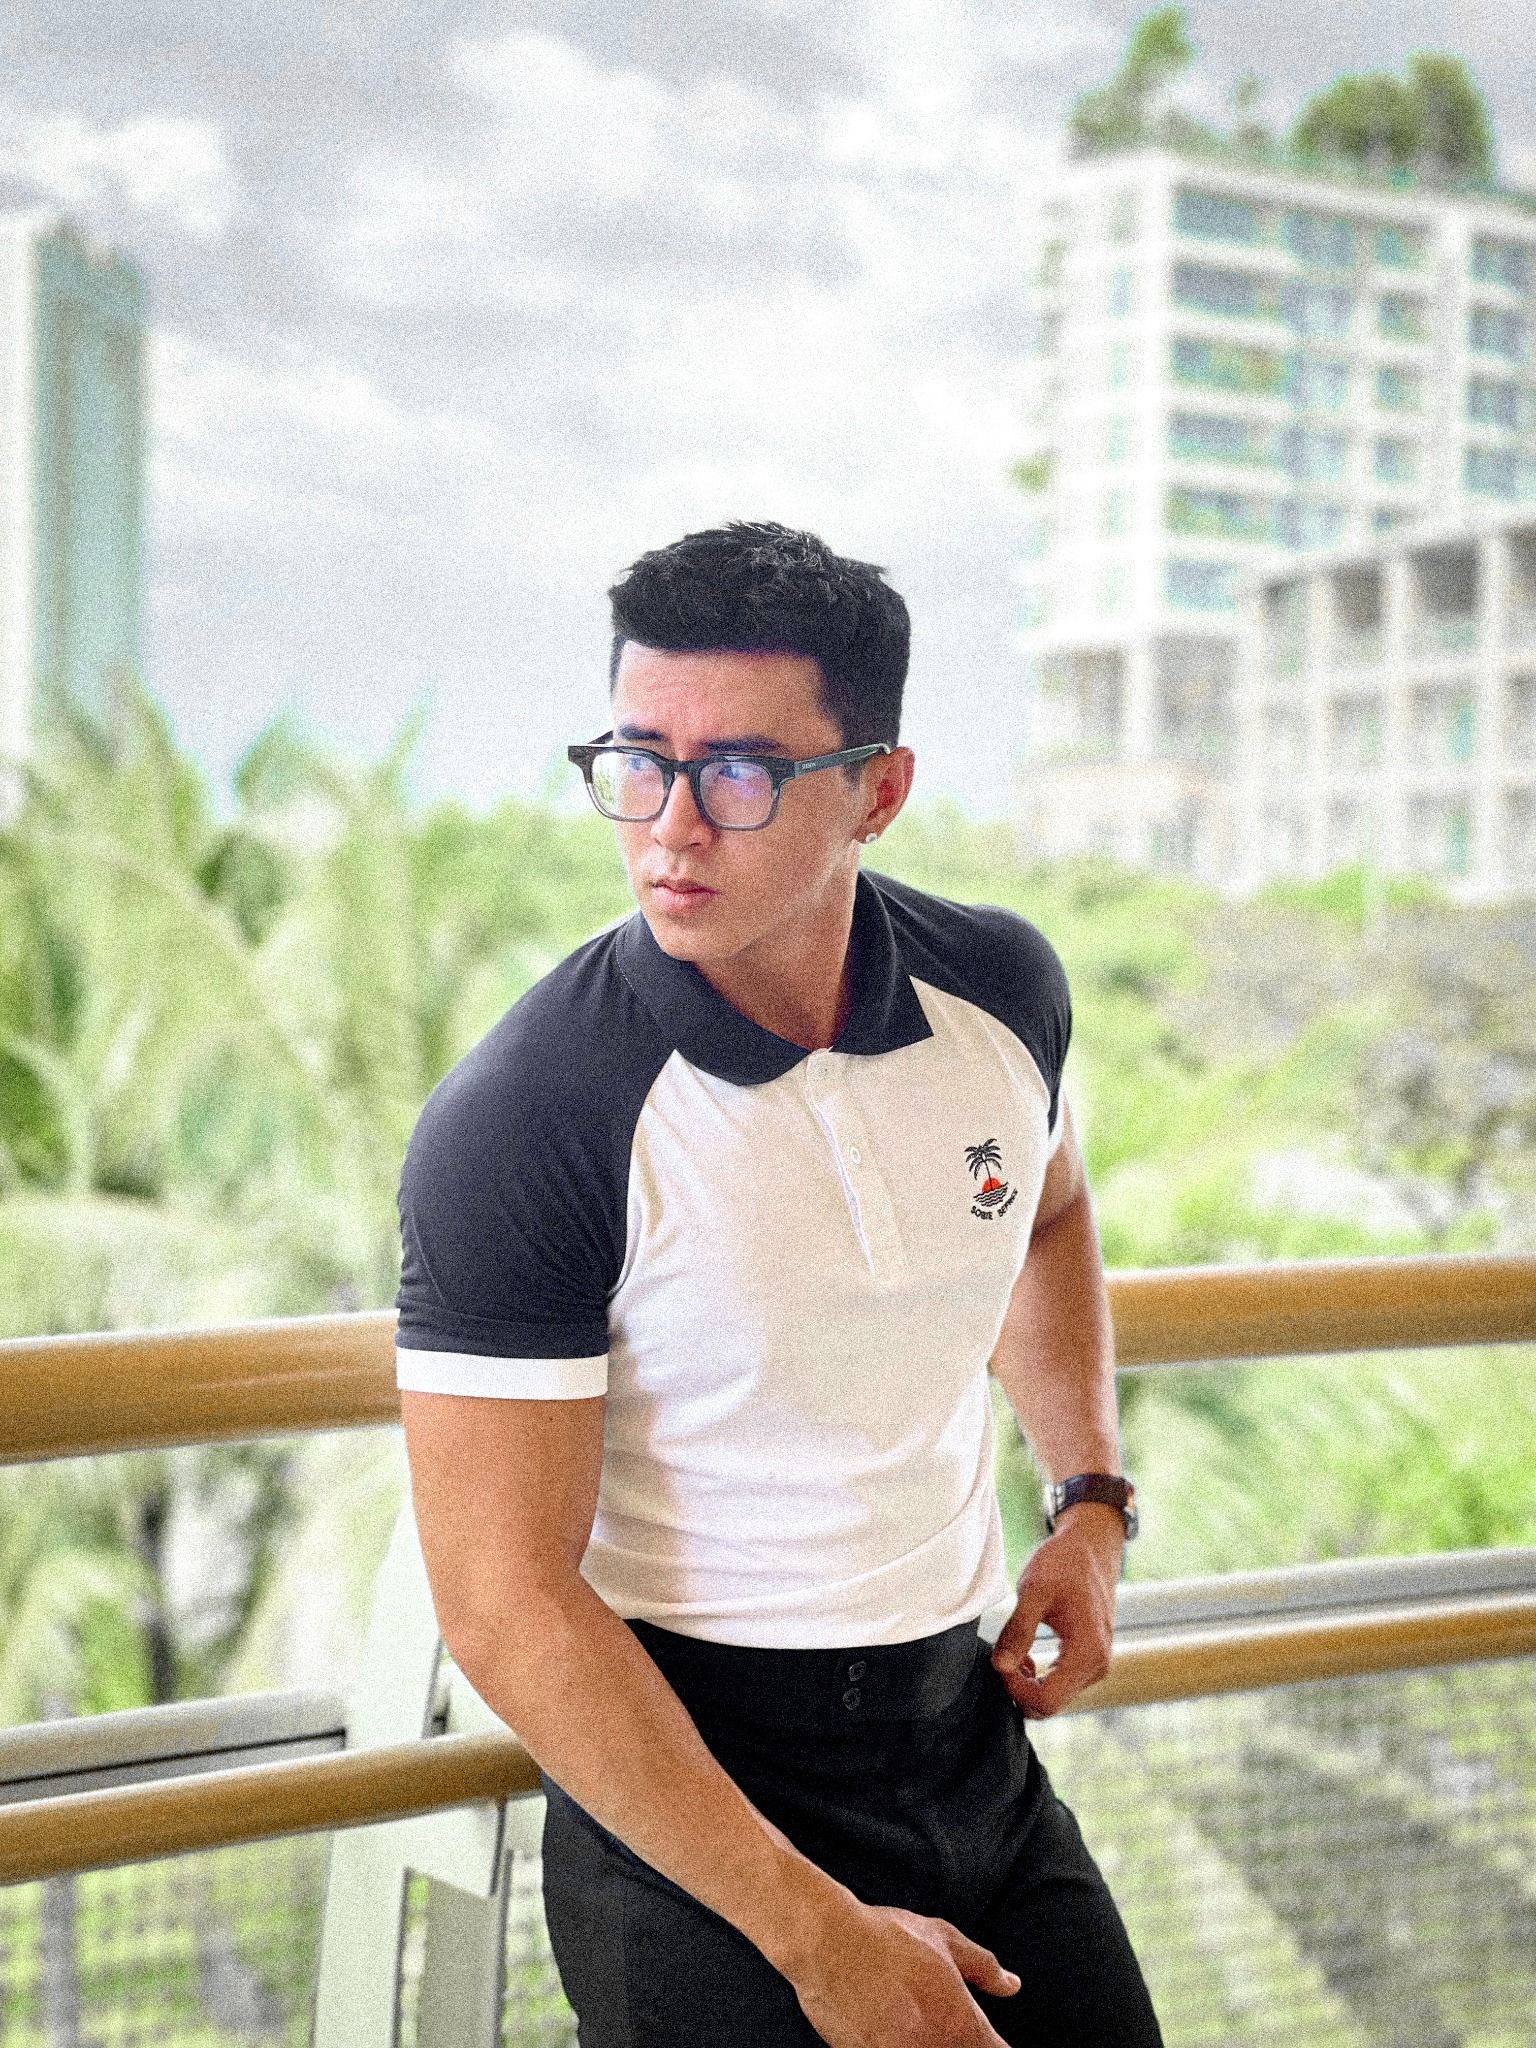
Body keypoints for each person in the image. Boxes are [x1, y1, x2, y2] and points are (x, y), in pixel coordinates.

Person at [394, 521, 1162, 2046]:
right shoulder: (530, 1116)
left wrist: (1088, 1503)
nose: (672, 827)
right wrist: (818, 1938)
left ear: (879, 788)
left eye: (739, 772)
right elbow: (503, 1604)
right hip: (694, 1799)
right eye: (638, 761)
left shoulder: (1002, 991)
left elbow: (1051, 1212)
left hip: (971, 1742)